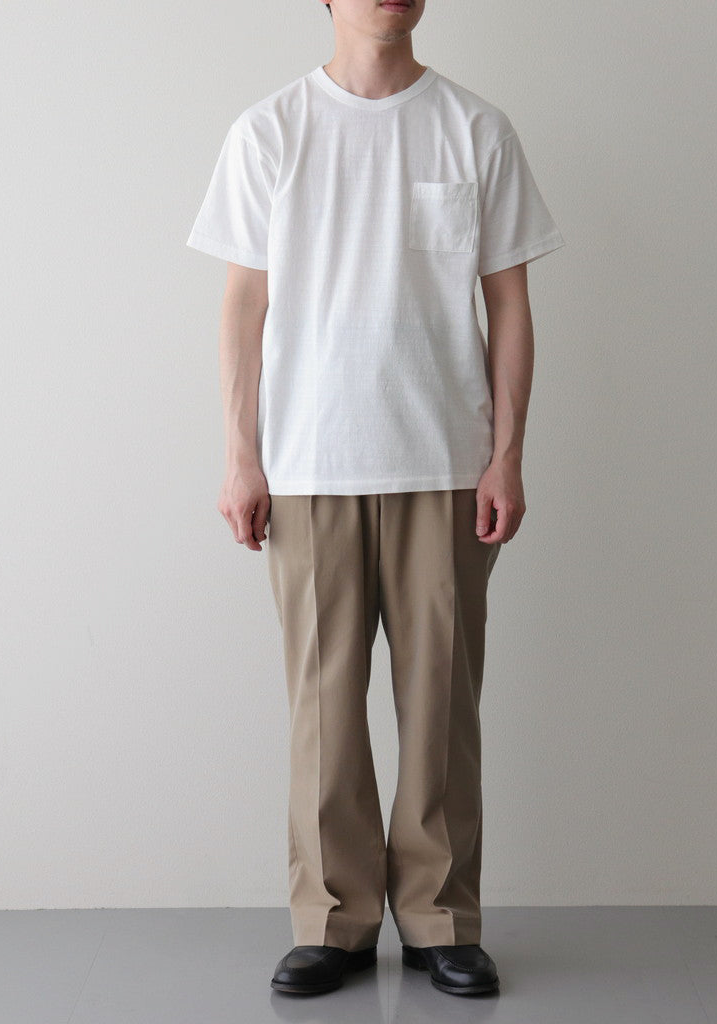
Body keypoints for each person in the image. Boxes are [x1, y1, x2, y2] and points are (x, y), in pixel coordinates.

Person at [186, 0, 565, 999]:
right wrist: (241, 456)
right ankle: (333, 920)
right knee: (323, 709)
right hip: (310, 464)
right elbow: (243, 303)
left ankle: (443, 919)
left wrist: (507, 455)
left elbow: (509, 303)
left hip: (445, 461)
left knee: (441, 706)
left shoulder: (474, 129)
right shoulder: (271, 130)